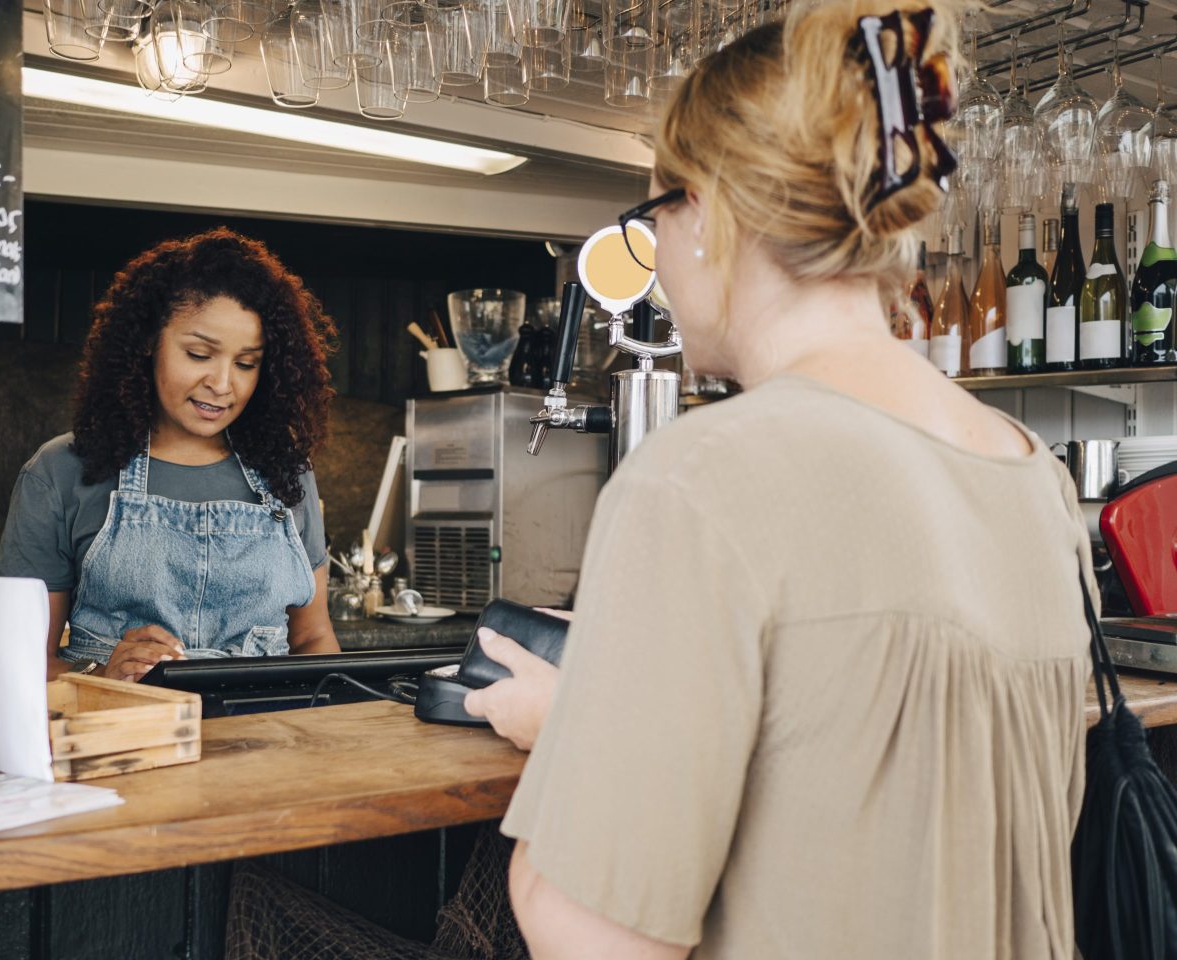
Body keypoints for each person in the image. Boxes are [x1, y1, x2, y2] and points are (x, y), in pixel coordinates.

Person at [465, 2, 1093, 957]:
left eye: (651, 220)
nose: (661, 264)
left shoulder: (701, 476)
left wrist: (580, 745)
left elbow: (600, 941)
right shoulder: (1032, 474)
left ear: (707, 213)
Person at [0, 228, 341, 682]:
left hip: (269, 735)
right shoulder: (60, 472)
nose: (223, 383)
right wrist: (103, 675)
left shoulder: (286, 472)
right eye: (199, 354)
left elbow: (313, 639)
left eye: (246, 363)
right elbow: (19, 662)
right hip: (126, 738)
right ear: (147, 342)